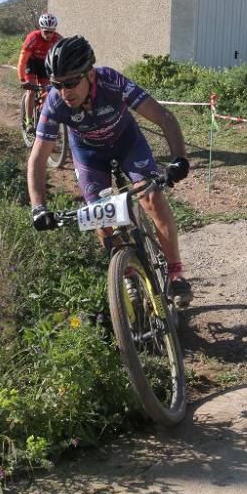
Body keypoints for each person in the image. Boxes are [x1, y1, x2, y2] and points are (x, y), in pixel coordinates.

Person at [26, 35, 193, 306]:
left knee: (151, 198)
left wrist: (179, 160)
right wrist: (38, 207)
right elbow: (37, 157)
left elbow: (164, 117)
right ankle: (125, 272)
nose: (64, 91)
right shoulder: (55, 101)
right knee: (98, 214)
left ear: (89, 74)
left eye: (70, 82)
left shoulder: (111, 81)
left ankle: (175, 275)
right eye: (57, 84)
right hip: (90, 156)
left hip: (128, 144)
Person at [18, 13, 62, 134]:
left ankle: (43, 116)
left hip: (45, 64)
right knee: (31, 90)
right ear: (41, 29)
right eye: (46, 31)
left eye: (52, 31)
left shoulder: (58, 39)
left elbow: (63, 60)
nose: (49, 35)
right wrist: (22, 80)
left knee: (47, 92)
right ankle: (29, 121)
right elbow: (22, 61)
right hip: (31, 63)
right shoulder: (33, 38)